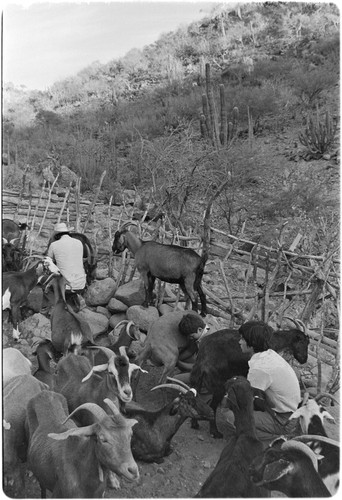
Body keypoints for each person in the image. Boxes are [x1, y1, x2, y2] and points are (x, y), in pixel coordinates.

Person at [238, 321, 301, 447]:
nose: (239, 342)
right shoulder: (270, 354)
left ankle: (275, 440)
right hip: (291, 412)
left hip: (283, 420)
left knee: (229, 416)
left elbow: (247, 398)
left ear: (252, 344)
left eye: (243, 339)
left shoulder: (259, 368)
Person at [45, 222, 87, 310]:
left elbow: (48, 262)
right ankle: (75, 298)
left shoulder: (54, 245)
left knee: (49, 278)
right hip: (81, 284)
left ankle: (55, 305)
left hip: (65, 287)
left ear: (56, 235)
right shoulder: (79, 242)